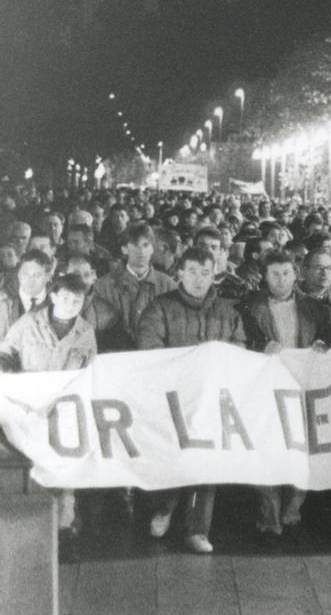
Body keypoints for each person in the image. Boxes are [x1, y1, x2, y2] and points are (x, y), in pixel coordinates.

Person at [136, 246, 247, 554]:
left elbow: (238, 350)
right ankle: (165, 505)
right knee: (173, 456)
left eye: (206, 273)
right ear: (180, 274)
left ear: (215, 275)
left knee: (207, 462)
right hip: (173, 398)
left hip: (212, 399)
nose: (199, 280)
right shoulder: (160, 307)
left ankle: (197, 529)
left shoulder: (228, 312)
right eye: (193, 273)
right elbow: (149, 348)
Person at [241, 251, 331, 543]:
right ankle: (268, 515)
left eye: (286, 273)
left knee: (304, 450)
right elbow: (240, 344)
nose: (281, 280)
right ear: (265, 277)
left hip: (303, 385)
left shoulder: (317, 309)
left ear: (295, 274)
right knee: (268, 451)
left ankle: (294, 508)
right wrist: (259, 346)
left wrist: (324, 345)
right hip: (267, 390)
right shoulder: (248, 309)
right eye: (274, 274)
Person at [0, 273, 96, 549]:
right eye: (64, 298)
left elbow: (91, 367)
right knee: (33, 460)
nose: (70, 304)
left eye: (76, 300)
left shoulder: (85, 331)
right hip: (31, 406)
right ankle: (31, 523)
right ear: (52, 296)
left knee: (64, 463)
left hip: (65, 408)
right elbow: (7, 349)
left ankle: (65, 521)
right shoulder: (30, 322)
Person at [91, 223, 176, 351]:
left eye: (146, 245)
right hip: (118, 357)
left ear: (152, 249)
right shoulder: (103, 286)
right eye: (135, 245)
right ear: (124, 249)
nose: (141, 251)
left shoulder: (168, 285)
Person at [0, 249, 52, 338]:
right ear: (18, 275)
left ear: (48, 277)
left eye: (37, 275)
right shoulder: (2, 302)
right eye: (25, 274)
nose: (30, 280)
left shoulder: (58, 300)